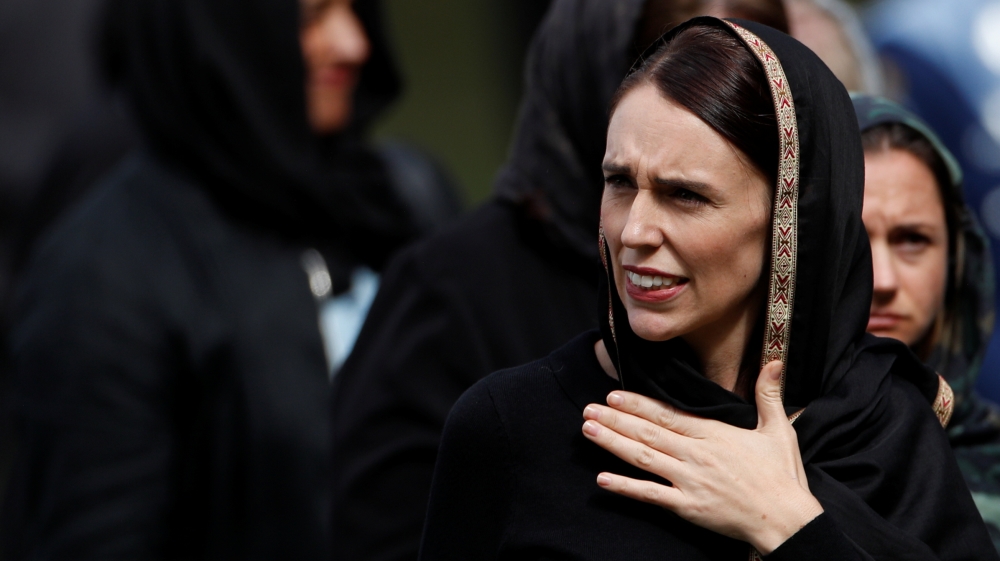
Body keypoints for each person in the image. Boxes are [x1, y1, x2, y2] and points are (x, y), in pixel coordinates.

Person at [419, 17, 997, 560]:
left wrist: (789, 524)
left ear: (793, 223)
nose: (635, 232)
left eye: (685, 195)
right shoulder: (512, 426)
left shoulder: (885, 425)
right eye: (619, 182)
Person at [329, 2, 787, 560]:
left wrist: (791, 526)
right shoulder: (456, 296)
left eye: (746, 73)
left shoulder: (876, 404)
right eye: (678, 62)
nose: (639, 232)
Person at [0, 0, 452, 557]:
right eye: (310, 19)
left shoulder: (403, 200)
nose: (352, 43)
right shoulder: (103, 278)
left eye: (356, 10)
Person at [854, 93, 1000, 549]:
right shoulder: (742, 447)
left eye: (912, 239)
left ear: (958, 258)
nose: (883, 280)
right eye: (852, 240)